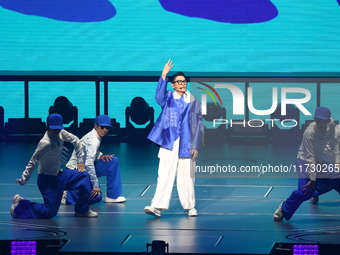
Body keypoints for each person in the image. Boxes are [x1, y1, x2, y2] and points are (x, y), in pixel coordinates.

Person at [144, 59, 204, 217]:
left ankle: (190, 206)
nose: (182, 84)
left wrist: (196, 146)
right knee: (164, 174)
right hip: (169, 141)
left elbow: (198, 125)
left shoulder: (193, 102)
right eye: (178, 82)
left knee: (187, 176)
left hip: (186, 143)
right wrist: (163, 74)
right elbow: (158, 97)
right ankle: (157, 206)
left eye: (184, 81)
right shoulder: (168, 98)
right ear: (173, 85)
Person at [11, 113, 97, 219]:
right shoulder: (45, 143)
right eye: (54, 129)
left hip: (60, 175)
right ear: (48, 128)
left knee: (84, 176)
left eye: (58, 129)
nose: (56, 132)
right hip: (47, 180)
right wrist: (24, 178)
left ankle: (82, 211)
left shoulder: (61, 133)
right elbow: (33, 161)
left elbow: (77, 141)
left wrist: (80, 161)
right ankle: (20, 205)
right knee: (50, 212)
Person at [273, 107, 340, 221]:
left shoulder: (335, 130)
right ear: (314, 119)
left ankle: (315, 192)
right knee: (305, 191)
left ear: (328, 120)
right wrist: (312, 180)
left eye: (323, 121)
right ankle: (284, 208)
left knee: (336, 180)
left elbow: (336, 149)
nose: (319, 123)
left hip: (325, 161)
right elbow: (310, 157)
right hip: (305, 161)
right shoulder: (309, 132)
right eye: (317, 120)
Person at [64, 115, 126, 204]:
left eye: (107, 127)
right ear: (95, 126)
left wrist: (100, 156)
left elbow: (88, 153)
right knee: (96, 196)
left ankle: (112, 196)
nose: (105, 130)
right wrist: (95, 185)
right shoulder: (93, 140)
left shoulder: (95, 135)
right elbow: (89, 164)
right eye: (102, 127)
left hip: (83, 168)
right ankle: (67, 195)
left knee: (113, 161)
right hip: (76, 172)